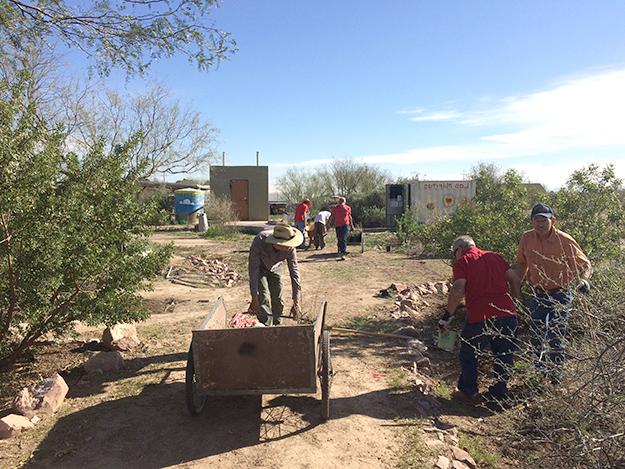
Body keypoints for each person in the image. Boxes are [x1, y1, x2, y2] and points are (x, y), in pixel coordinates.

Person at [515, 203, 592, 384]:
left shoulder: (564, 240)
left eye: (544, 220)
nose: (540, 224)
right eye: (536, 220)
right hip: (538, 293)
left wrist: (584, 280)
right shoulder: (526, 238)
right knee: (536, 335)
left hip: (560, 294)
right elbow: (521, 264)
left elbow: (585, 264)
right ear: (532, 221)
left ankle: (555, 378)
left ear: (552, 220)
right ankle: (539, 374)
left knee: (556, 336)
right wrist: (514, 286)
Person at [440, 235, 521, 406]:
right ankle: (499, 393)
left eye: (455, 253)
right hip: (507, 314)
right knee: (504, 354)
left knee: (469, 353)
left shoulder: (463, 262)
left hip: (480, 317)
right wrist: (514, 303)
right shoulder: (495, 256)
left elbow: (458, 289)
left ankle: (469, 392)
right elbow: (514, 279)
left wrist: (447, 315)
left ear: (459, 250)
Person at [248, 224, 303, 326]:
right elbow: (253, 270)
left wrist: (296, 302)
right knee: (263, 298)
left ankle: (278, 326)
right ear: (276, 243)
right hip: (260, 267)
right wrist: (254, 298)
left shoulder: (290, 248)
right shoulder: (259, 241)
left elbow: (294, 273)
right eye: (284, 245)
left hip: (276, 267)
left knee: (278, 297)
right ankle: (266, 327)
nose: (287, 248)